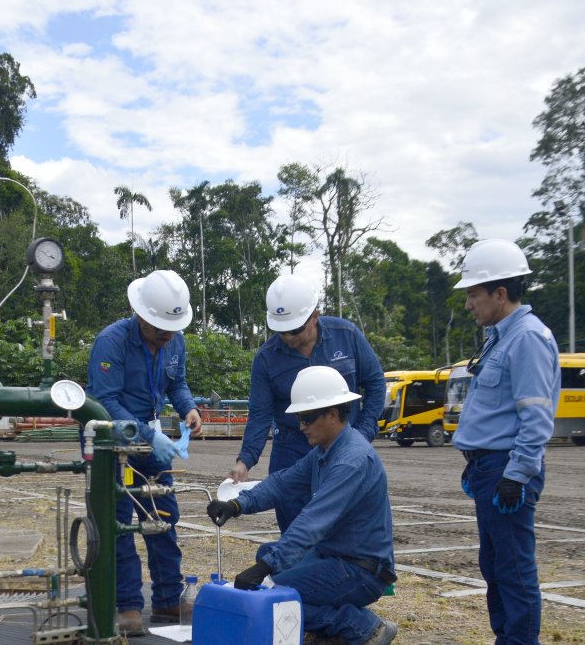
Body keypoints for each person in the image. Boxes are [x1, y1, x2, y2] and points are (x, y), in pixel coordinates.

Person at [208, 366, 398, 645]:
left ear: (333, 414)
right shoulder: (326, 451)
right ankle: (328, 626)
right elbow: (282, 483)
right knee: (268, 556)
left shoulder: (351, 461)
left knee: (277, 596)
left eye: (307, 418)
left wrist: (264, 568)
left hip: (360, 571)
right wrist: (237, 505)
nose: (301, 426)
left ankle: (363, 627)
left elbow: (312, 522)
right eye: (299, 418)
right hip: (335, 557)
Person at [453, 239, 560, 645]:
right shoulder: (501, 336)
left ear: (500, 294)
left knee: (513, 569)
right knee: (495, 565)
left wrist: (515, 474)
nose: (468, 305)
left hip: (505, 469)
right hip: (489, 468)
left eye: (473, 294)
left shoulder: (528, 338)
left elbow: (536, 418)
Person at [86, 269, 204, 637]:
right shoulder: (112, 342)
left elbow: (177, 384)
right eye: (159, 330)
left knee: (163, 515)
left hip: (148, 438)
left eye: (171, 330)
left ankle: (168, 599)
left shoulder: (175, 341)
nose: (166, 337)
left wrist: (189, 408)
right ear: (141, 315)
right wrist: (145, 435)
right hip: (112, 440)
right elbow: (104, 401)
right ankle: (128, 606)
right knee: (120, 523)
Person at [228, 274, 386, 532]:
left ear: (315, 314)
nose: (289, 337)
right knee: (295, 530)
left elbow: (376, 383)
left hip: (342, 445)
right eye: (282, 331)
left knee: (344, 527)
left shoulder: (346, 335)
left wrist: (362, 435)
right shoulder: (267, 358)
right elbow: (260, 414)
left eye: (296, 329)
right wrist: (244, 461)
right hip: (291, 449)